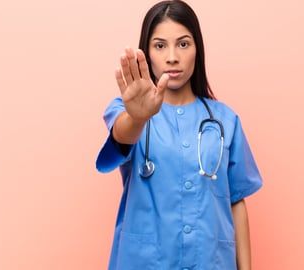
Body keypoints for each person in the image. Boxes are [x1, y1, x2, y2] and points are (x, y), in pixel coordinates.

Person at [96, 1, 263, 269]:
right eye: (160, 45)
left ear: (198, 49)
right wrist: (138, 117)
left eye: (183, 44)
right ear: (146, 53)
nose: (172, 57)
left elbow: (236, 201)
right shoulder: (127, 112)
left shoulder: (225, 120)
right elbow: (122, 135)